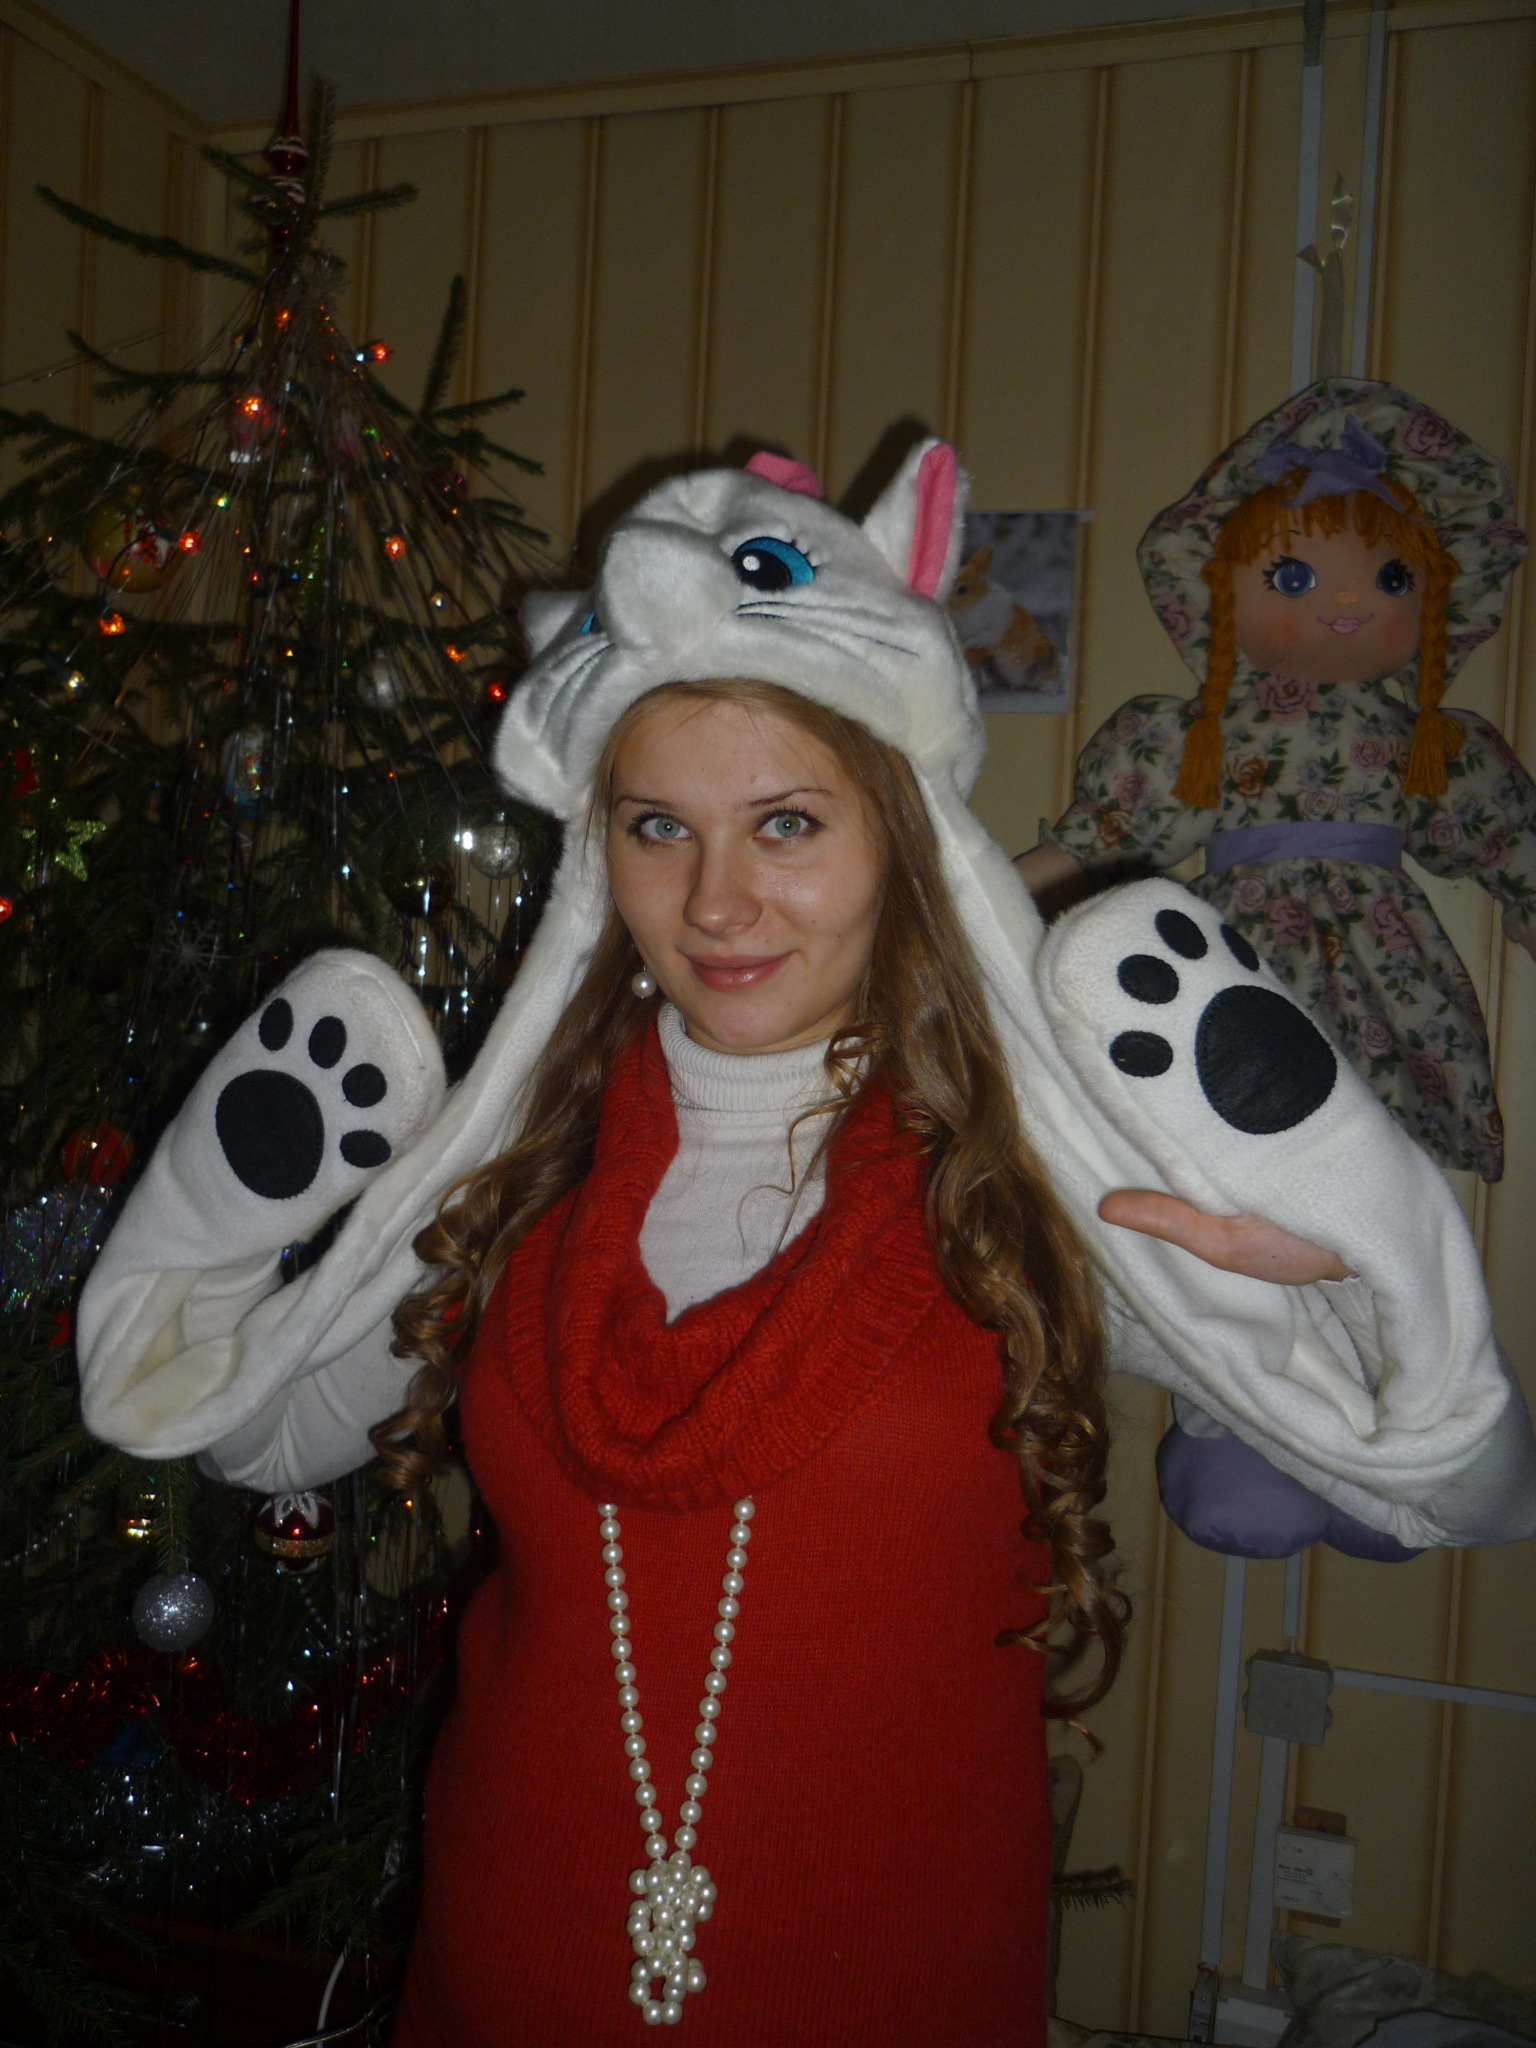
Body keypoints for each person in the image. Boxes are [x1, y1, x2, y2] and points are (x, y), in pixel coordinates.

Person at [77, 438, 1535, 2043]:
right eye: (657, 827)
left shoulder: (1037, 1179)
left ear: (905, 836)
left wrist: (1362, 1256)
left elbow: (1460, 1491)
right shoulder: (518, 1172)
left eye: (785, 824)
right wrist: (226, 1212)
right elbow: (262, 1442)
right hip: (497, 1981)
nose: (716, 903)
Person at [1018, 380, 1536, 1184]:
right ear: (1219, 596)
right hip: (1232, 951)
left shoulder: (1429, 743)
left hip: (1379, 975)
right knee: (1213, 1119)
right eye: (1295, 580)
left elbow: (1508, 841)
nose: (1349, 599)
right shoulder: (1199, 738)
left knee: (1370, 1150)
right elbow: (1106, 837)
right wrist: (980, 898)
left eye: (1393, 581)